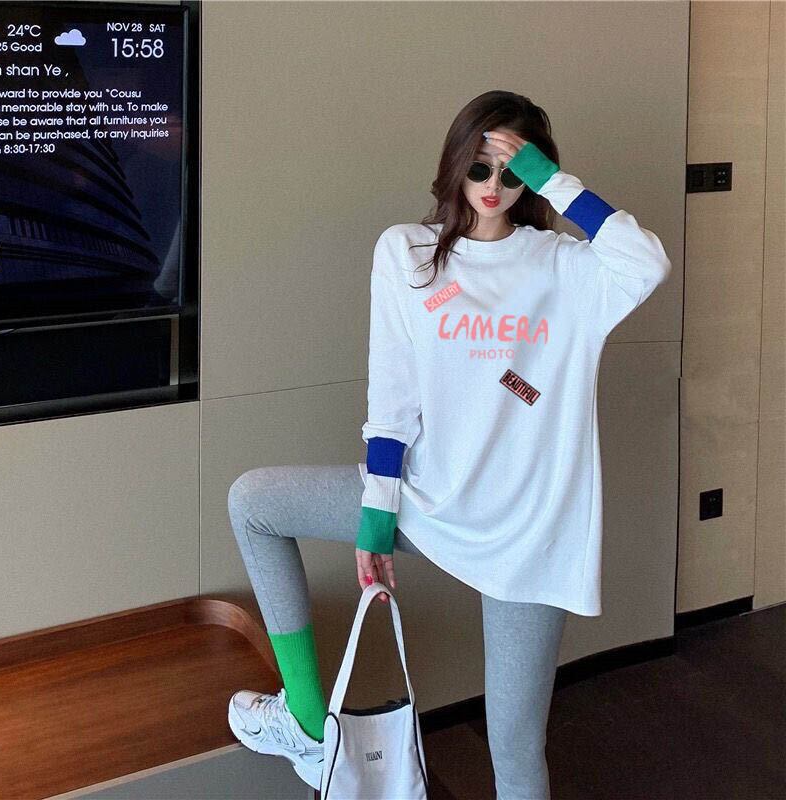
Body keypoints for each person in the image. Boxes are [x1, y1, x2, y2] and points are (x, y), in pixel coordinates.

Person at [226, 90, 672, 799]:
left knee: (515, 748)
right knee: (254, 502)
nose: (493, 187)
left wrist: (554, 180)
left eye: (513, 173)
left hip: (530, 530)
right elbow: (393, 397)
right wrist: (377, 515)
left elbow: (646, 262)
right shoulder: (407, 252)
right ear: (455, 165)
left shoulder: (566, 266)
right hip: (430, 501)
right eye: (479, 168)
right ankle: (308, 724)